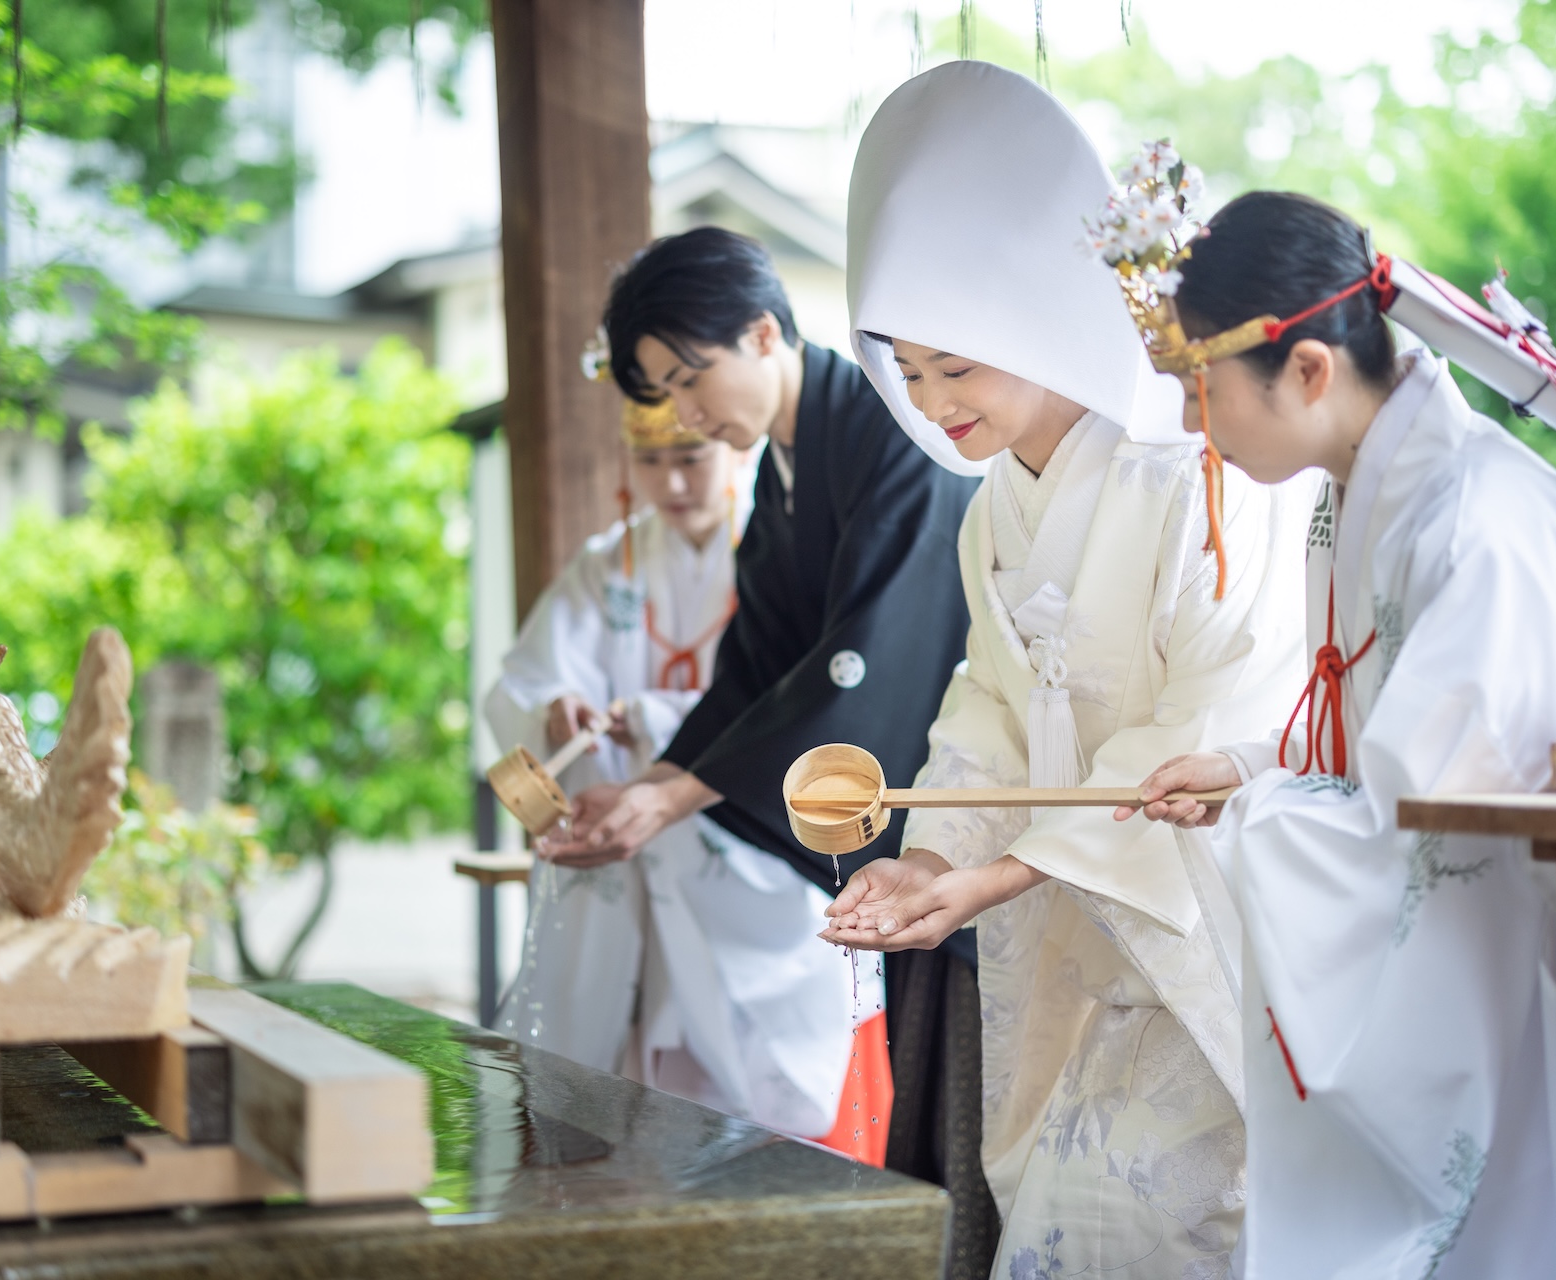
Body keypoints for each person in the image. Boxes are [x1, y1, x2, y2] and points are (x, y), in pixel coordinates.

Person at [1109, 183, 1556, 1276]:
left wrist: (1261, 808)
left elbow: (1426, 829)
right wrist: (1253, 765)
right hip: (1540, 924)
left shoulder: (1477, 523)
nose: (1193, 426)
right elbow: (1386, 742)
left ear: (1305, 369)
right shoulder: (1359, 496)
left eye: (1200, 388)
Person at [819, 63, 1311, 1280]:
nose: (935, 404)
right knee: (1053, 1203)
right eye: (913, 373)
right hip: (1061, 933)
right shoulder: (994, 511)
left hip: (1195, 923)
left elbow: (1217, 710)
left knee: (1134, 1217)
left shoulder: (1193, 469)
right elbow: (987, 701)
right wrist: (933, 852)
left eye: (958, 366)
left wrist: (989, 874)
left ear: (1035, 316)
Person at [534, 227, 988, 1261]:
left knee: (959, 1114)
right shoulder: (788, 465)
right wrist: (652, 783)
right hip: (907, 846)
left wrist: (669, 795)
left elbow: (866, 663)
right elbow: (756, 662)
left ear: (763, 330)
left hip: (963, 828)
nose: (684, 413)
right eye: (660, 392)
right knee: (913, 1124)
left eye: (689, 380)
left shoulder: (889, 429)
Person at [485, 389, 884, 1155]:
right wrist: (556, 707)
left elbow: (794, 698)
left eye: (690, 459)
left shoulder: (773, 555)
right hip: (626, 858)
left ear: (732, 450)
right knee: (628, 1058)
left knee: (749, 1088)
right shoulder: (607, 566)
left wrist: (659, 724)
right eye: (652, 460)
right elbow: (524, 680)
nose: (671, 483)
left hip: (735, 842)